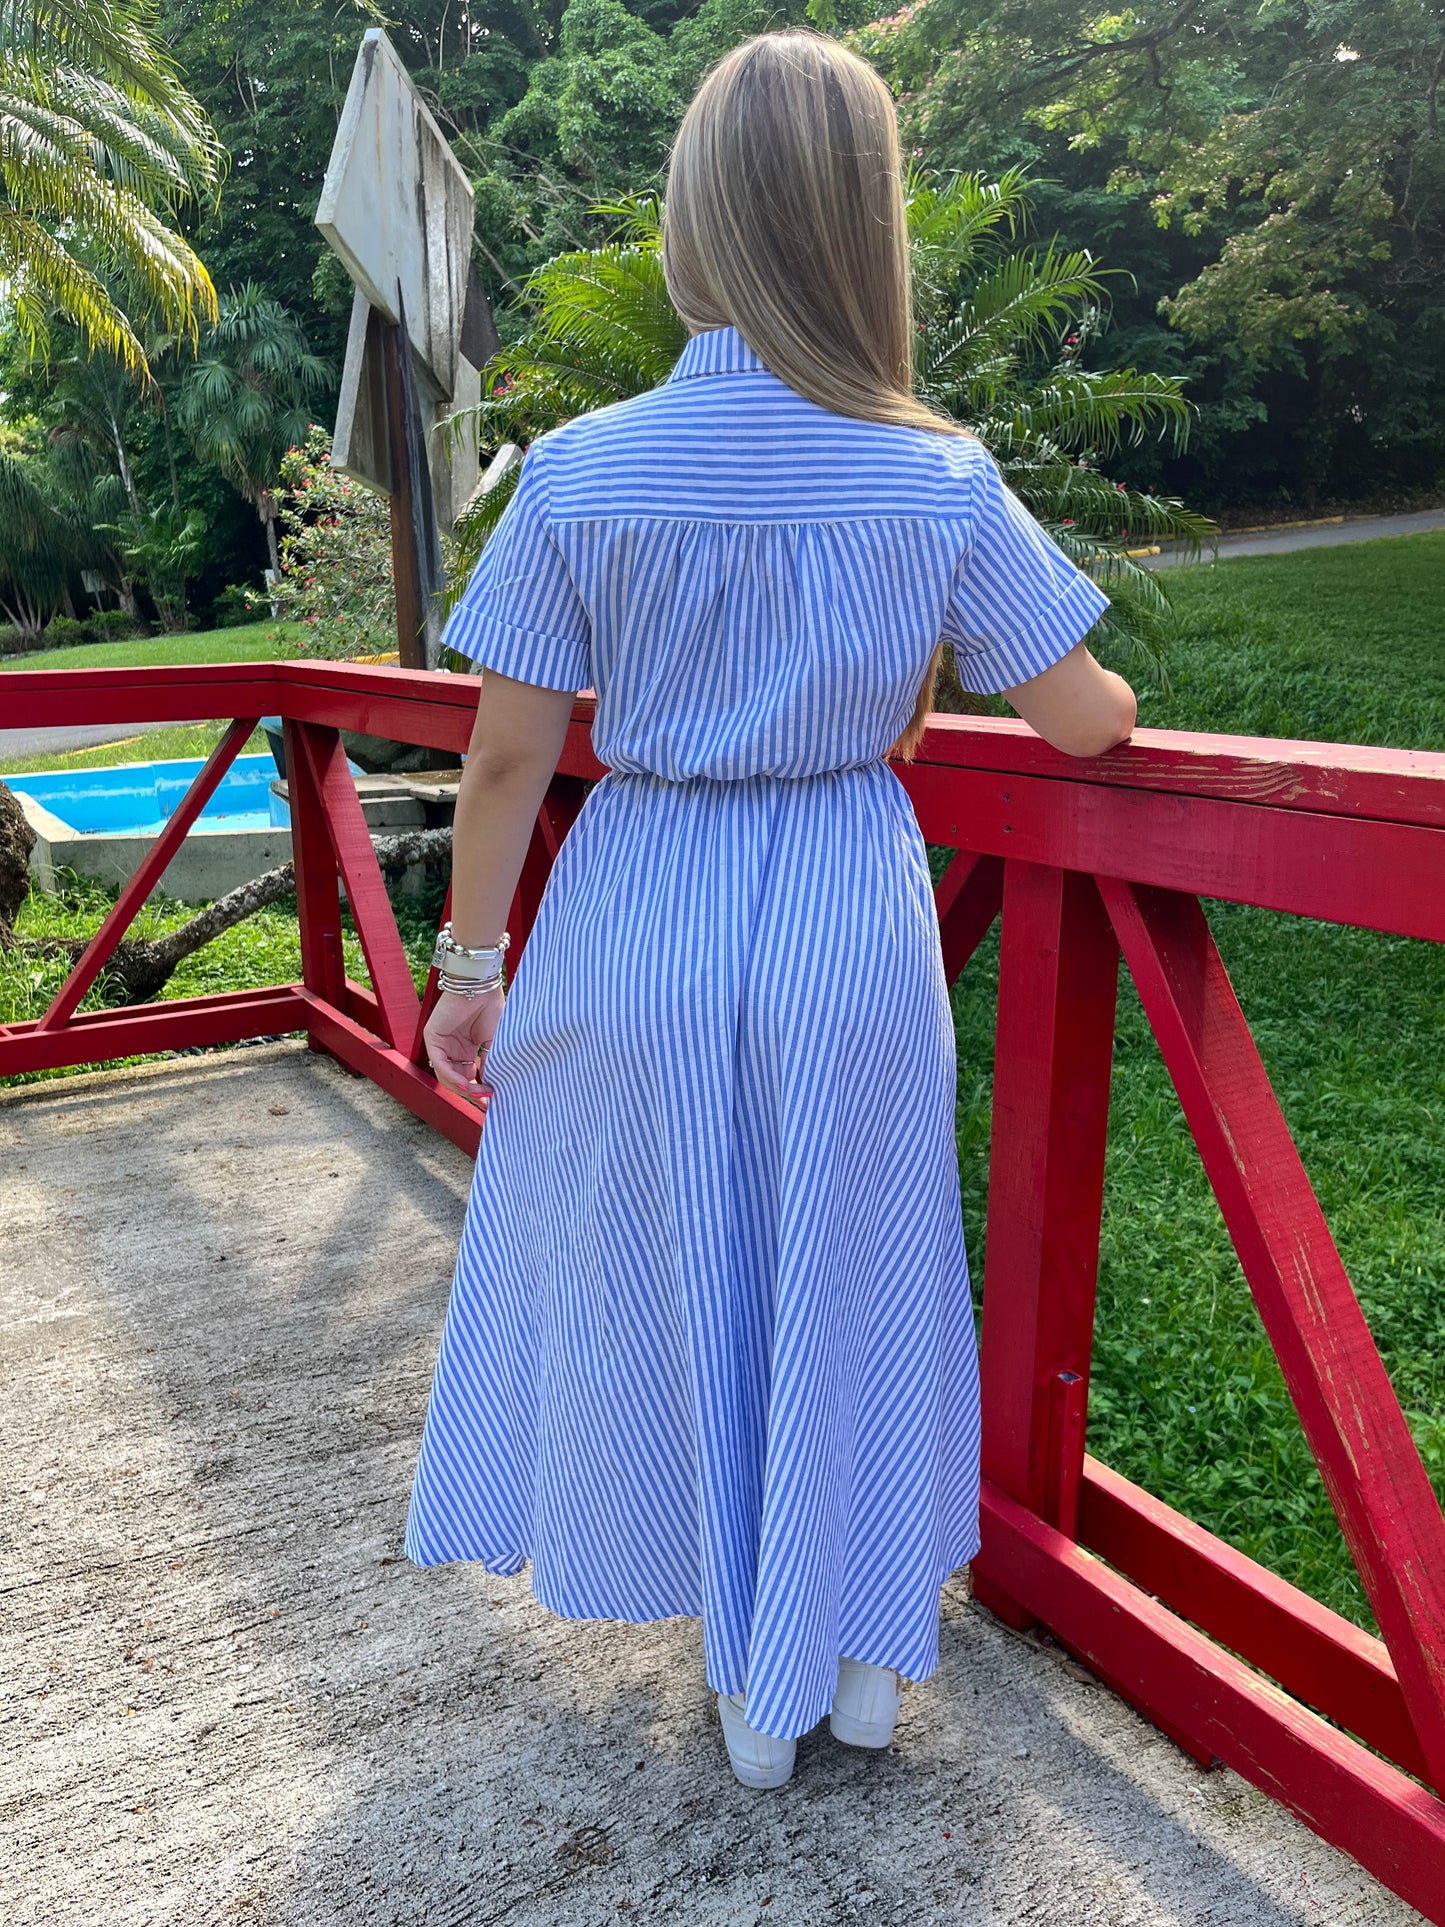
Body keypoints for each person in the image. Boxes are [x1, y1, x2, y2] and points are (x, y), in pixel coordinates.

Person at [406, 30, 1136, 1792]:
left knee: (679, 1277)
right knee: (852, 1272)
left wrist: (467, 968)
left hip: (641, 898)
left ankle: (742, 1661)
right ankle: (857, 1651)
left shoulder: (582, 468)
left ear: (697, 220)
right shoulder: (932, 472)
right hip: (842, 906)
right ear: (859, 226)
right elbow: (1083, 716)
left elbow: (504, 766)